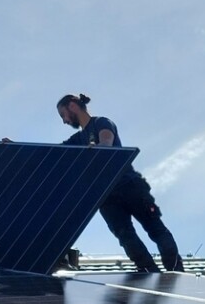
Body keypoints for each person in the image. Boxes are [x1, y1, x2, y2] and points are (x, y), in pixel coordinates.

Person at [57, 93, 184, 272]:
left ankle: (175, 272)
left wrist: (95, 149)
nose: (64, 121)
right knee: (125, 236)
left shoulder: (102, 122)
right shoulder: (77, 139)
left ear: (72, 106)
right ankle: (149, 273)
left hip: (129, 186)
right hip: (106, 196)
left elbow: (106, 143)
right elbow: (54, 154)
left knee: (154, 228)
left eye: (63, 115)